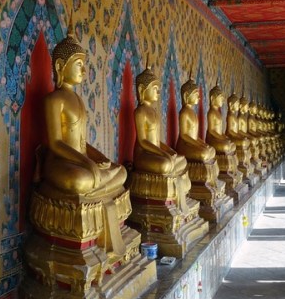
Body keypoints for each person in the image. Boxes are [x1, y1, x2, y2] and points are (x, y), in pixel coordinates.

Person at [41, 34, 126, 197]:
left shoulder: (78, 99)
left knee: (121, 171)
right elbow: (56, 143)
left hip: (81, 161)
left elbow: (81, 142)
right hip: (61, 162)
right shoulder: (54, 99)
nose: (84, 71)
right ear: (60, 66)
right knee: (80, 180)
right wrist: (87, 162)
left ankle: (94, 189)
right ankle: (95, 188)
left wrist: (99, 157)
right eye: (79, 64)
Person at [132, 65, 186, 176]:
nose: (158, 92)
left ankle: (170, 173)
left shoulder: (154, 112)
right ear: (142, 89)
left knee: (183, 160)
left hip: (155, 152)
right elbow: (143, 141)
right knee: (165, 164)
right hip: (144, 154)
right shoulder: (140, 112)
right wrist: (163, 153)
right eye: (155, 89)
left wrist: (169, 151)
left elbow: (156, 140)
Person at [176, 77, 216, 162]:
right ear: (186, 95)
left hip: (193, 144)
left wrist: (202, 144)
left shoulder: (193, 112)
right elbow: (184, 135)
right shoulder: (184, 112)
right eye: (196, 94)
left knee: (212, 151)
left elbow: (194, 136)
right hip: (185, 145)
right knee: (204, 153)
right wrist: (199, 144)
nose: (199, 97)